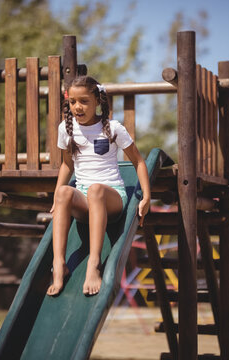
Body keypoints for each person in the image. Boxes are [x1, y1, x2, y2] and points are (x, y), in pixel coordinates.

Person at [47, 76, 151, 297]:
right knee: (64, 191)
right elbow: (67, 165)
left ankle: (94, 265)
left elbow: (139, 162)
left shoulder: (112, 128)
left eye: (84, 101)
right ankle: (58, 264)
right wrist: (58, 198)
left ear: (97, 101)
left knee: (95, 189)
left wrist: (146, 197)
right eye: (73, 102)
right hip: (84, 200)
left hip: (111, 197)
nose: (77, 107)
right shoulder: (66, 129)